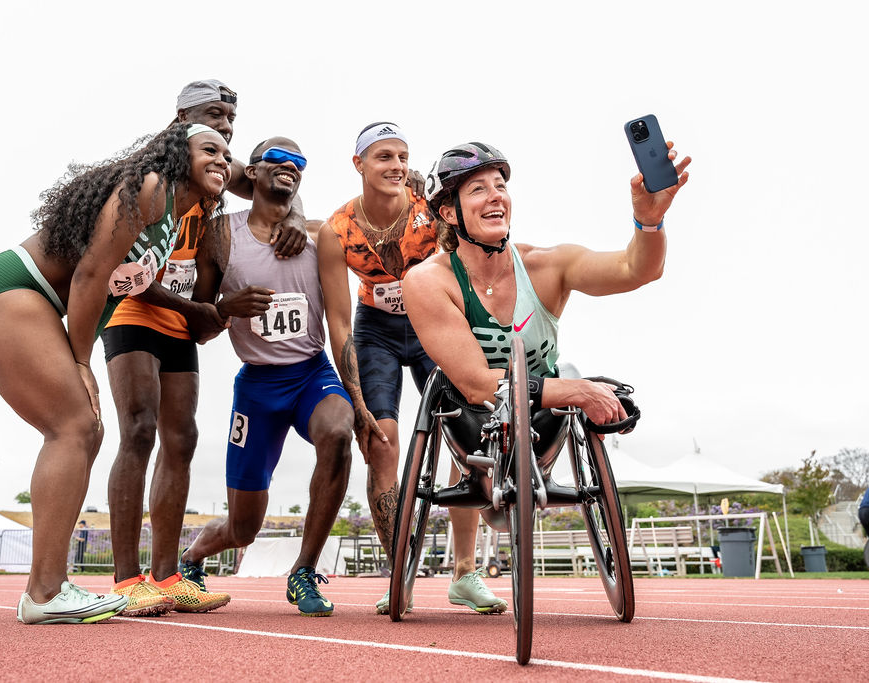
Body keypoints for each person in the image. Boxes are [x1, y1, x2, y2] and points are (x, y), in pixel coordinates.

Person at [0, 121, 231, 624]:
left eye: (227, 156)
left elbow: (112, 290)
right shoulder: (152, 188)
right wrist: (81, 362)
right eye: (209, 149)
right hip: (10, 289)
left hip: (35, 303)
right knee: (74, 426)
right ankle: (44, 593)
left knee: (88, 429)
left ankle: (50, 586)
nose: (222, 161)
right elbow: (90, 274)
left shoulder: (178, 216)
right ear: (177, 153)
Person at [403, 139, 691, 606]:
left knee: (580, 380)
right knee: (564, 383)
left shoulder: (547, 266)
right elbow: (477, 383)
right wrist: (579, 390)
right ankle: (456, 569)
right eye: (478, 189)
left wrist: (650, 219)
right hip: (472, 422)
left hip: (542, 420)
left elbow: (636, 268)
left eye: (500, 185)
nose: (496, 195)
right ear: (450, 213)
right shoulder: (427, 281)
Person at [102, 80, 307, 616]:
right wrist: (211, 311)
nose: (225, 128)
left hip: (175, 317)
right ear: (180, 118)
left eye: (231, 120)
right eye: (213, 115)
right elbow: (126, 272)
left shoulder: (219, 165)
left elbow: (279, 183)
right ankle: (126, 581)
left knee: (183, 437)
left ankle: (168, 576)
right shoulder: (152, 172)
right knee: (140, 427)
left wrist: (293, 217)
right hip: (131, 304)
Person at [318, 122, 500, 614]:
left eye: (402, 156)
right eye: (383, 157)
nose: (396, 165)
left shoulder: (429, 206)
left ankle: (465, 573)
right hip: (374, 329)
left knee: (469, 435)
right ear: (359, 164)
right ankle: (400, 570)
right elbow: (338, 324)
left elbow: (468, 258)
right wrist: (354, 397)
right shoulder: (336, 230)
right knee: (381, 443)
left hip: (434, 322)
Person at [185, 136, 353, 616]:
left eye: (298, 162)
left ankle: (304, 569)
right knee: (244, 530)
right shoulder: (220, 234)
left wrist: (359, 402)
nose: (290, 166)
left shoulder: (320, 237)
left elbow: (344, 323)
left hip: (310, 375)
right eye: (278, 159)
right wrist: (224, 308)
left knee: (339, 433)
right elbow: (198, 329)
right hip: (257, 387)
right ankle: (195, 554)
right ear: (252, 173)